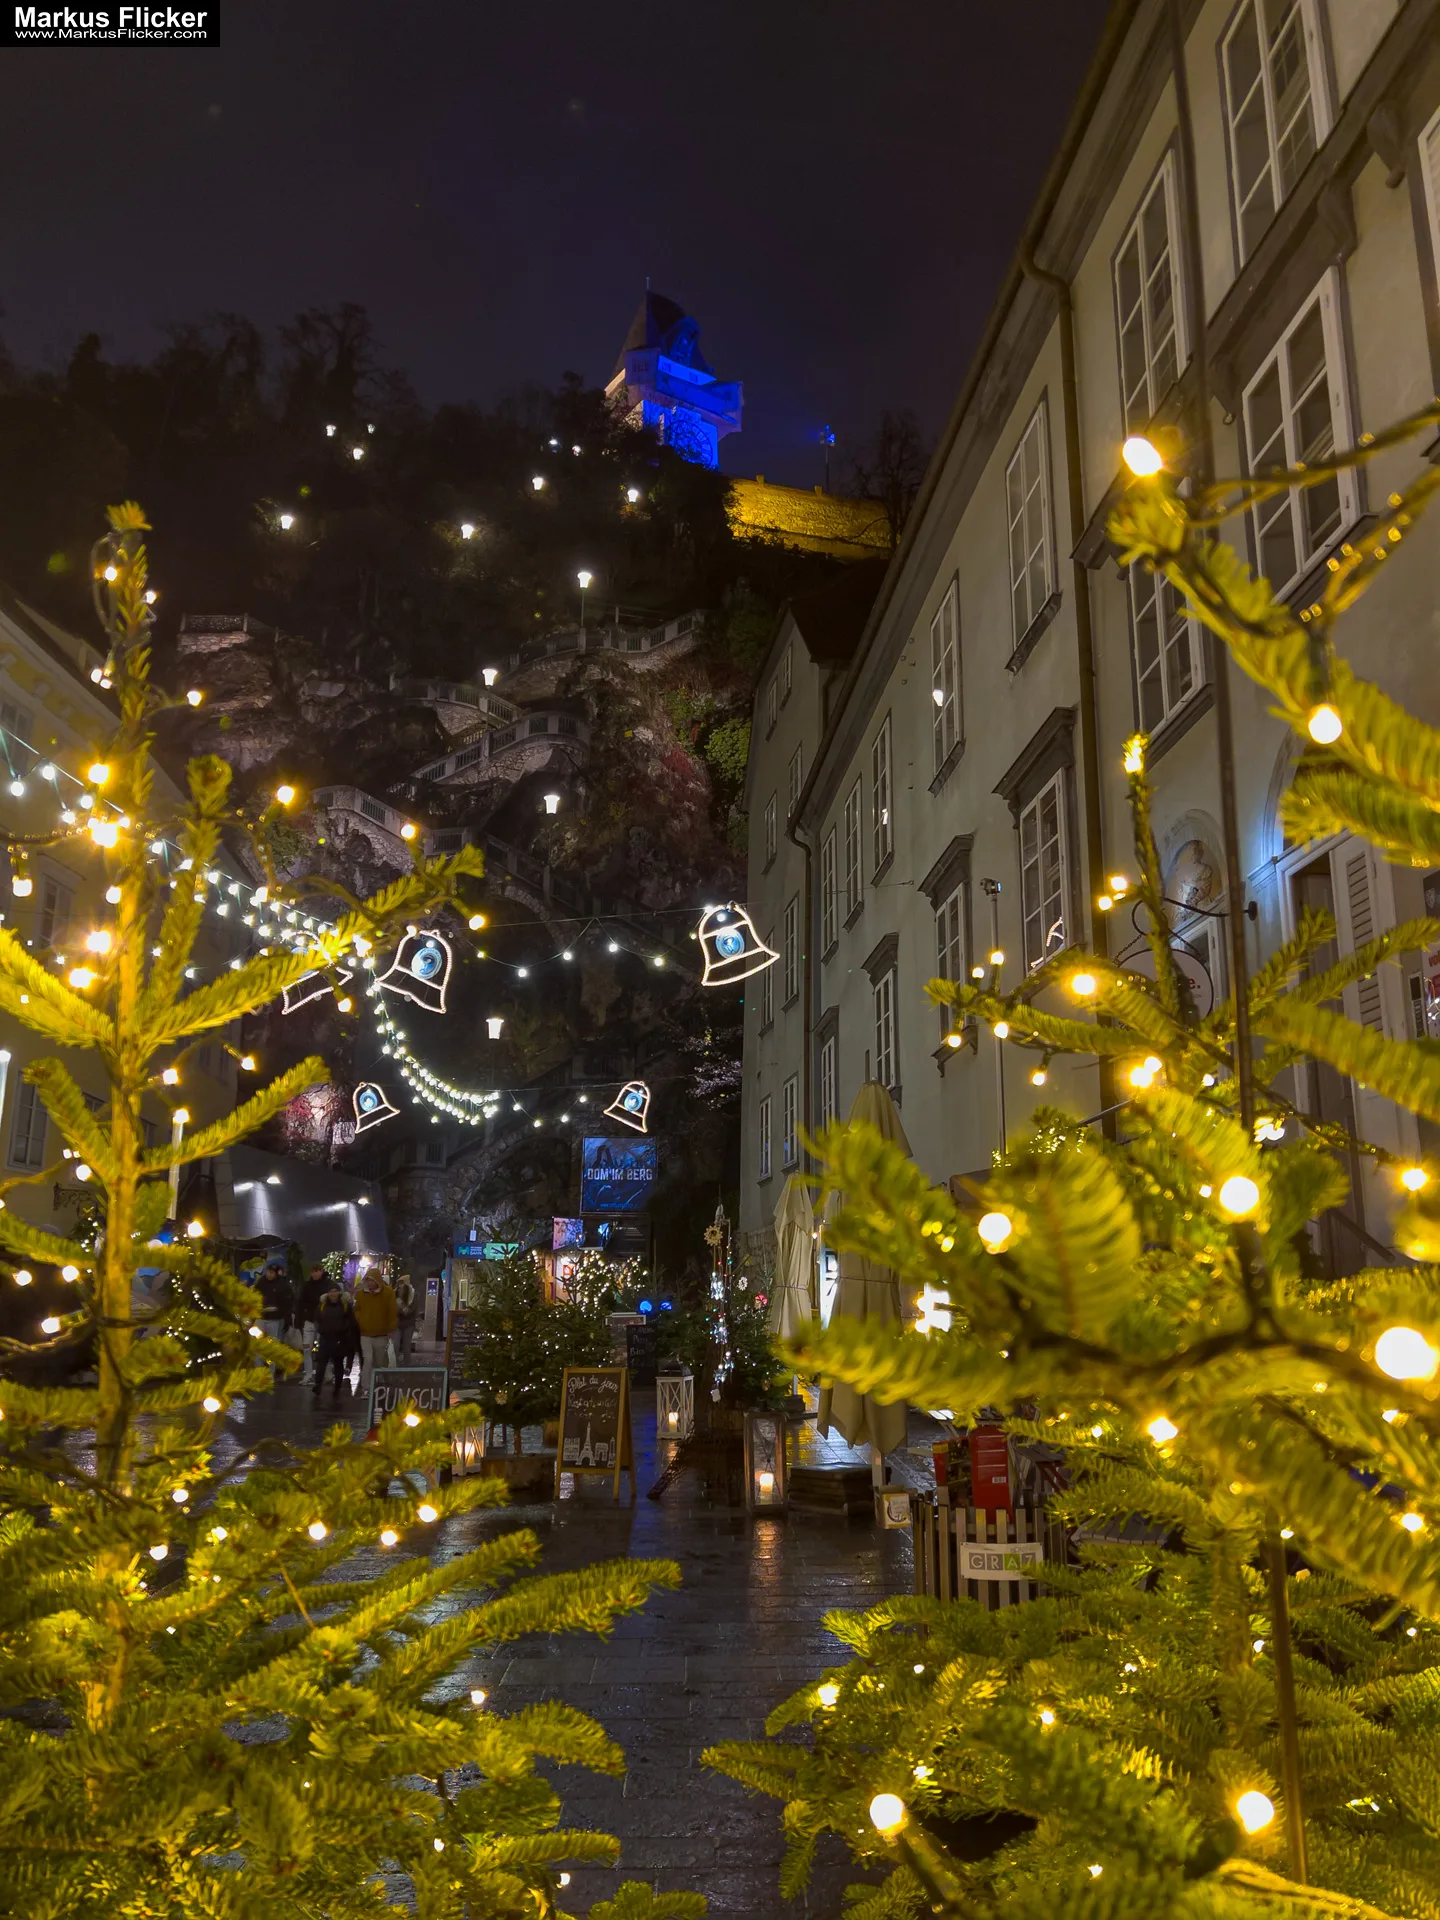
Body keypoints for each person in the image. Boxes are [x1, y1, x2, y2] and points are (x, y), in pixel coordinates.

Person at [352, 1268, 397, 1390]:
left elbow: (392, 1311)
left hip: (381, 1333)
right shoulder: (361, 1294)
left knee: (379, 1362)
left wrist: (391, 1328)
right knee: (368, 1359)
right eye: (367, 1280)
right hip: (365, 1333)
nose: (369, 1283)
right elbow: (357, 1309)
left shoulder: (388, 1293)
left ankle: (378, 1383)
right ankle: (366, 1388)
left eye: (372, 1280)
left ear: (377, 1280)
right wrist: (361, 1320)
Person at [312, 1283, 355, 1399]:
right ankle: (318, 1385)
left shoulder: (345, 1305)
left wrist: (343, 1331)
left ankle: (337, 1388)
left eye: (335, 1291)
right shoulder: (322, 1305)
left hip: (339, 1339)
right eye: (331, 1291)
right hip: (325, 1338)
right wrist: (320, 1330)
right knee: (321, 1363)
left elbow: (350, 1320)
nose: (333, 1294)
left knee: (338, 1363)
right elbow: (317, 1318)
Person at [295, 1264, 326, 1382]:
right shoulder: (307, 1286)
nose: (315, 1274)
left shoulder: (327, 1284)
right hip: (309, 1321)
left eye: (317, 1271)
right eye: (313, 1271)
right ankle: (308, 1375)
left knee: (323, 1349)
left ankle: (325, 1374)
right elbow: (300, 1303)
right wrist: (300, 1319)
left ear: (321, 1271)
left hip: (323, 1322)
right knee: (307, 1349)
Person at [394, 1272, 418, 1364]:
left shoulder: (413, 1294)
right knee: (395, 1345)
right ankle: (395, 1366)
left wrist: (403, 1307)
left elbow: (412, 1309)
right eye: (399, 1283)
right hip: (397, 1323)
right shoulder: (394, 1294)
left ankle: (407, 1367)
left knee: (406, 1347)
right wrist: (400, 1309)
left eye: (402, 1283)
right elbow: (392, 1308)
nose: (400, 1286)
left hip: (408, 1324)